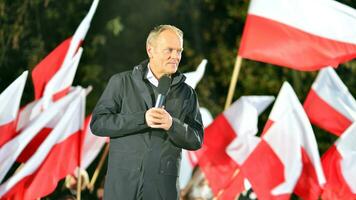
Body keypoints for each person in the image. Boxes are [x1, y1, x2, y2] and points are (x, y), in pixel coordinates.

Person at [90, 24, 204, 200]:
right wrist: (142, 119)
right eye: (169, 50)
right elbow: (98, 124)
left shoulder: (187, 93)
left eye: (179, 51)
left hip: (162, 191)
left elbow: (196, 139)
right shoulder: (122, 82)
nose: (176, 56)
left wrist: (173, 125)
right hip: (122, 188)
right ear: (150, 50)